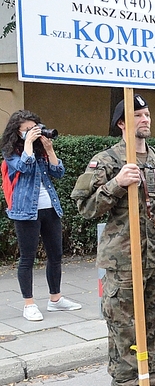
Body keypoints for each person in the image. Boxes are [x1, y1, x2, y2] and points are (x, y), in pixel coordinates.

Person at [71, 95, 155, 386]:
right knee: (124, 330)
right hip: (123, 262)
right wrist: (117, 184)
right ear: (122, 123)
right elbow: (85, 208)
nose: (146, 119)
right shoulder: (107, 161)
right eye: (138, 115)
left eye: (147, 114)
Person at [2, 110, 81, 321]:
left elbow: (59, 172)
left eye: (34, 128)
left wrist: (49, 149)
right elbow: (24, 167)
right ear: (17, 132)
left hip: (49, 208)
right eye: (27, 129)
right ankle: (29, 304)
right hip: (25, 211)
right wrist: (28, 143)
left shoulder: (40, 151)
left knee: (56, 255)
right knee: (28, 258)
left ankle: (55, 299)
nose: (32, 132)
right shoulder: (10, 152)